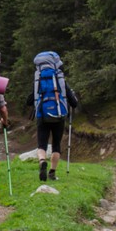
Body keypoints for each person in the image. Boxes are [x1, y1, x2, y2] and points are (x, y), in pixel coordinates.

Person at [29, 52, 80, 182]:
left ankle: (41, 161)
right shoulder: (60, 79)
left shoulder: (38, 79)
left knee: (42, 144)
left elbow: (29, 100)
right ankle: (52, 172)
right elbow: (74, 103)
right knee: (56, 144)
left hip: (42, 115)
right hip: (59, 116)